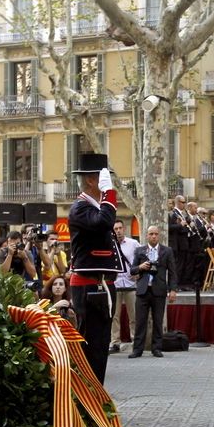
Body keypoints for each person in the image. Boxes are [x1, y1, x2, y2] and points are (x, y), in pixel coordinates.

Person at [68, 153, 126, 384]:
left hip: (102, 285)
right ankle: (88, 398)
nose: (107, 185)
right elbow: (104, 222)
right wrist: (109, 195)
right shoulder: (81, 208)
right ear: (92, 181)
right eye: (104, 179)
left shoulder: (95, 207)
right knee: (91, 346)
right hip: (89, 287)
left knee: (100, 346)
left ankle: (95, 395)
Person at [128, 226, 178, 358]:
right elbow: (132, 270)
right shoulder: (140, 250)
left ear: (159, 235)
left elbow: (172, 272)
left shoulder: (166, 251)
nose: (154, 236)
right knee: (140, 321)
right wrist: (140, 267)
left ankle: (156, 348)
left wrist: (173, 289)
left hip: (159, 290)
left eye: (156, 234)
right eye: (151, 234)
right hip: (143, 290)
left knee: (158, 320)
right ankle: (137, 349)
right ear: (147, 236)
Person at [110, 219, 140, 353]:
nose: (118, 231)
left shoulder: (133, 244)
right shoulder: (109, 245)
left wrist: (138, 271)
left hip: (130, 284)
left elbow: (143, 258)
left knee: (133, 315)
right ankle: (115, 342)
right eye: (115, 229)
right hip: (115, 285)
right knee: (114, 316)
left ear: (124, 229)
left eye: (120, 228)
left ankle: (135, 341)